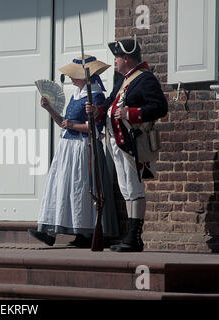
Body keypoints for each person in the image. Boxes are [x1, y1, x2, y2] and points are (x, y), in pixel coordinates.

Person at [86, 37, 168, 252]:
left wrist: (130, 113)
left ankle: (134, 237)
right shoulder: (124, 79)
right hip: (117, 141)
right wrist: (98, 111)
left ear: (126, 58)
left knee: (133, 186)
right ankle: (130, 237)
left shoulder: (145, 79)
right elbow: (110, 103)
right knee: (125, 188)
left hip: (132, 141)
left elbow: (159, 107)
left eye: (117, 57)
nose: (115, 61)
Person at [29, 55, 119, 248]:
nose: (70, 78)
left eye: (73, 75)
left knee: (82, 189)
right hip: (67, 148)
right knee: (63, 188)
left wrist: (74, 125)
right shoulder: (76, 95)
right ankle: (51, 232)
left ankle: (85, 232)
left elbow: (95, 127)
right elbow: (64, 123)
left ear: (83, 76)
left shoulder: (95, 96)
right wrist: (49, 109)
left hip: (83, 148)